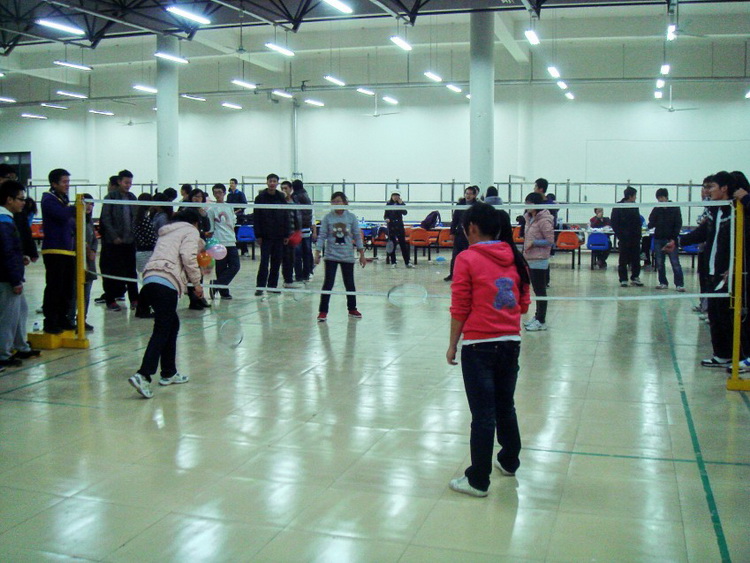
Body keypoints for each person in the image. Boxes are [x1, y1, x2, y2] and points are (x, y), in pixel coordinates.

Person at [446, 202, 531, 497]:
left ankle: (478, 480)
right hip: (511, 342)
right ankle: (509, 461)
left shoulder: (467, 258)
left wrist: (452, 344)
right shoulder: (514, 257)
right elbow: (523, 305)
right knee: (505, 405)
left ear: (471, 228)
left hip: (479, 346)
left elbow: (460, 306)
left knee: (483, 414)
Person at [128, 209, 204, 399]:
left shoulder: (168, 231)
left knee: (172, 324)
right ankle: (143, 375)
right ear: (195, 223)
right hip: (166, 282)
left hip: (150, 280)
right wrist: (197, 284)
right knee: (162, 329)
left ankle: (169, 372)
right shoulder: (190, 231)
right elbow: (188, 257)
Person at [667, 171, 740, 369]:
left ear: (724, 188)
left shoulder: (736, 211)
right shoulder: (715, 211)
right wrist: (678, 242)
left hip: (727, 271)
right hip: (711, 268)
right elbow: (702, 233)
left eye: (711, 187)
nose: (707, 191)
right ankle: (721, 354)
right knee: (714, 314)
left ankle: (735, 356)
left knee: (725, 314)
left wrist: (734, 267)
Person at [0, 181, 41, 368]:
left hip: (12, 274)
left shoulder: (9, 219)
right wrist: (15, 280)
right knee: (7, 317)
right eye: (20, 199)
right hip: (7, 278)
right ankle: (3, 353)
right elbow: (6, 252)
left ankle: (19, 345)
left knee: (20, 311)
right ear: (9, 200)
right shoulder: (4, 222)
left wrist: (21, 257)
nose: (24, 203)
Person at [315, 192, 366, 321]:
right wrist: (317, 252)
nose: (336, 204)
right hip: (331, 256)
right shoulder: (327, 218)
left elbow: (357, 236)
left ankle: (352, 309)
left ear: (345, 202)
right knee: (328, 283)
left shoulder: (351, 217)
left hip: (347, 255)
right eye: (333, 201)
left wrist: (362, 254)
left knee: (349, 284)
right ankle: (323, 311)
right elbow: (322, 236)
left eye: (338, 201)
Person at [41, 168, 76, 333]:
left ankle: (63, 318)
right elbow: (61, 215)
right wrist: (76, 208)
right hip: (54, 250)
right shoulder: (49, 199)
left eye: (68, 182)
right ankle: (50, 321)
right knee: (55, 287)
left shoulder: (63, 199)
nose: (67, 185)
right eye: (64, 182)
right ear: (54, 184)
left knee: (67, 287)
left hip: (67, 250)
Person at [99, 169, 138, 312]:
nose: (128, 185)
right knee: (111, 271)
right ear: (119, 182)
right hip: (113, 243)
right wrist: (114, 236)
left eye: (130, 183)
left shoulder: (132, 198)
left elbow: (136, 218)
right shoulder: (110, 197)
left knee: (131, 271)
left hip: (129, 242)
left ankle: (134, 299)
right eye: (126, 182)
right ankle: (110, 299)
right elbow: (106, 219)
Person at [254, 173, 291, 296]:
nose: (272, 183)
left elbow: (286, 216)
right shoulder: (260, 198)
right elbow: (256, 217)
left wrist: (286, 234)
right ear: (267, 182)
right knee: (264, 262)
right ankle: (260, 287)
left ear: (277, 183)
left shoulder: (281, 197)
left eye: (274, 181)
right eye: (270, 181)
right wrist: (258, 235)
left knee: (276, 262)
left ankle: (272, 286)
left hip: (279, 235)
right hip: (265, 236)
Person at [522, 192, 554, 331]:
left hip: (539, 259)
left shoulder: (544, 220)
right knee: (536, 289)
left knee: (540, 290)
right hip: (530, 258)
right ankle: (537, 316)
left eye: (529, 203)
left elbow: (550, 241)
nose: (527, 206)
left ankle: (541, 320)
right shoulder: (529, 219)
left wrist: (534, 243)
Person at [207, 183, 240, 299]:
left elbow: (233, 222)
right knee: (221, 268)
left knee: (235, 266)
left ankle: (216, 285)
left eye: (220, 192)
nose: (218, 195)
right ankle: (223, 292)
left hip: (231, 240)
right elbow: (211, 228)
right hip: (218, 241)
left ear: (224, 193)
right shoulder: (211, 209)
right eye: (215, 192)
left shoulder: (229, 207)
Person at [648, 188, 684, 291]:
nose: (660, 200)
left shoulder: (675, 208)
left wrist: (673, 238)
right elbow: (651, 222)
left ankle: (679, 284)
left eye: (661, 197)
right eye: (658, 198)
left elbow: (678, 224)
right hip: (658, 238)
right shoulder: (656, 209)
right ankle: (663, 282)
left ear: (666, 197)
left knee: (675, 262)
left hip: (670, 239)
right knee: (659, 263)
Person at [611, 186, 643, 287]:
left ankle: (635, 277)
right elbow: (614, 222)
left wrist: (638, 235)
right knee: (623, 259)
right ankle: (623, 279)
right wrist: (620, 235)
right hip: (624, 238)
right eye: (635, 195)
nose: (636, 197)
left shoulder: (635, 206)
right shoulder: (618, 206)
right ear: (630, 196)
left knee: (636, 258)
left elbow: (638, 221)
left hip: (635, 237)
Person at [445, 185, 479, 282]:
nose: (468, 196)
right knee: (456, 255)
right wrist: (452, 232)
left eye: (470, 194)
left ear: (474, 195)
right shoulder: (460, 204)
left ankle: (470, 275)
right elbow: (455, 219)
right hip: (460, 234)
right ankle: (452, 274)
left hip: (471, 235)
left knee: (471, 256)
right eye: (466, 193)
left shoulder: (477, 206)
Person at [186, 188, 211, 310]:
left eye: (200, 197)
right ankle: (194, 300)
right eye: (195, 196)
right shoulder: (187, 211)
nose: (197, 199)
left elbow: (207, 227)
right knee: (192, 274)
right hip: (190, 246)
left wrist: (204, 215)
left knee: (201, 273)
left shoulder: (202, 212)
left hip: (201, 246)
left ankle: (200, 297)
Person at [292, 179, 315, 282]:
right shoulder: (307, 197)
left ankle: (298, 275)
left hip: (298, 229)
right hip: (307, 228)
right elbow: (311, 214)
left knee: (297, 254)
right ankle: (307, 273)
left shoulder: (294, 197)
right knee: (307, 253)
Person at [281, 180, 302, 288]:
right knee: (286, 258)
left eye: (286, 188)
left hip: (294, 234)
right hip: (284, 235)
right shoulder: (280, 202)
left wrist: (298, 230)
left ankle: (290, 278)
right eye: (282, 188)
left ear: (291, 189)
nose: (284, 190)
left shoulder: (295, 201)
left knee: (293, 257)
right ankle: (287, 280)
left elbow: (298, 216)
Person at [384, 192, 412, 268]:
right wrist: (387, 219)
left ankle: (407, 262)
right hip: (391, 226)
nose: (395, 197)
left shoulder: (401, 204)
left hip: (399, 226)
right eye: (394, 196)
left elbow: (405, 213)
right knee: (392, 244)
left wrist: (401, 204)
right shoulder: (388, 204)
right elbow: (385, 215)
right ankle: (393, 262)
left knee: (403, 245)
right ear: (391, 196)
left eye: (397, 196)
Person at [227, 178, 249, 257]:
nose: (231, 184)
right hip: (231, 217)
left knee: (241, 234)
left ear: (236, 184)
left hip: (240, 217)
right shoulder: (229, 195)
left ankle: (245, 251)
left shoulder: (240, 194)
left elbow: (244, 205)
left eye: (233, 183)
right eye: (230, 183)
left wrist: (236, 212)